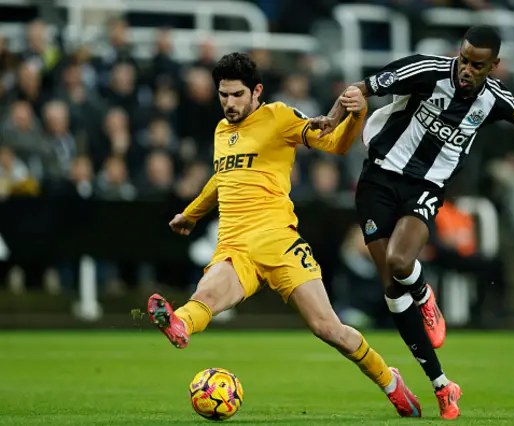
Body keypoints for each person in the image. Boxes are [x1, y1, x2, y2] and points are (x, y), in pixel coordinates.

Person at [146, 53, 422, 418]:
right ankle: (178, 323)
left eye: (237, 95)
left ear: (256, 91)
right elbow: (221, 178)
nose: (229, 103)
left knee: (328, 328)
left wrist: (356, 114)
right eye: (223, 95)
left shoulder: (279, 117)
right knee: (206, 294)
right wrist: (191, 214)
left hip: (279, 243)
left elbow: (336, 144)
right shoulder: (221, 131)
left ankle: (390, 381)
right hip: (235, 245)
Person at [312, 25, 514, 419]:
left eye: (477, 65)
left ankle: (425, 294)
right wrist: (333, 116)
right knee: (392, 289)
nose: (466, 69)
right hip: (377, 178)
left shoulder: (493, 99)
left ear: (493, 66)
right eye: (463, 59)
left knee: (399, 262)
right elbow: (360, 87)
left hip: (425, 187)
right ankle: (442, 385)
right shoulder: (426, 70)